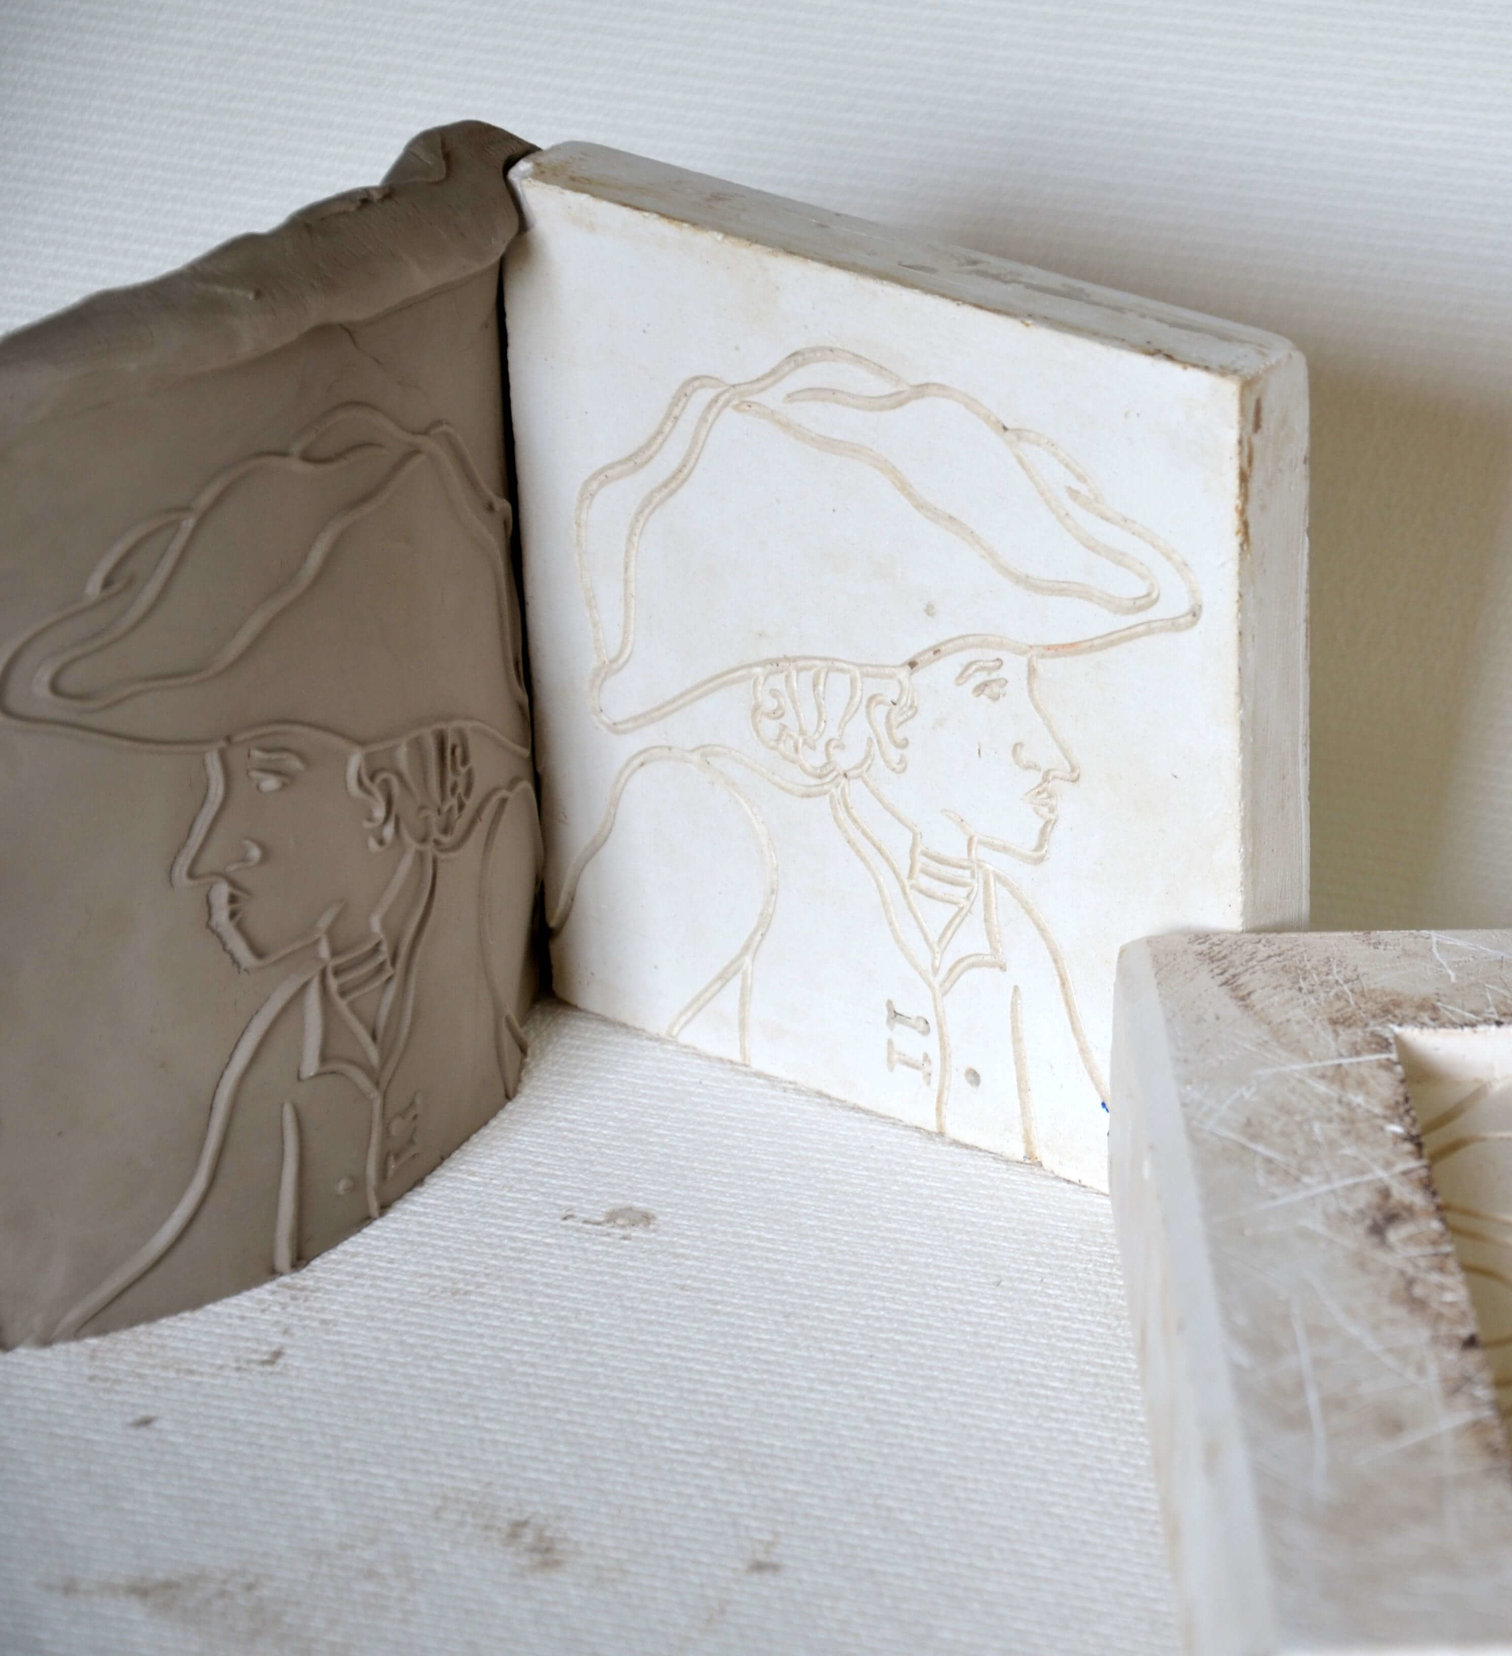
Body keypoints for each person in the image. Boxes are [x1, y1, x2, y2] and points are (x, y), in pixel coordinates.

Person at [545, 347, 1199, 1172]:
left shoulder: (1015, 937)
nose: (1054, 755)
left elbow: (1111, 1151)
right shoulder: (718, 819)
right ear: (885, 719)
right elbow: (607, 1066)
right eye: (994, 689)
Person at [0, 403, 537, 1341]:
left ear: (384, 792)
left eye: (269, 776)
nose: (208, 852)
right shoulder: (285, 1063)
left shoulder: (485, 923)